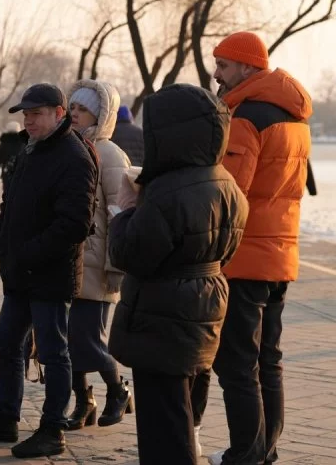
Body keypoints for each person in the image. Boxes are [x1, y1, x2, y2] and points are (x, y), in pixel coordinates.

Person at [107, 84, 249, 465]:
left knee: (164, 423)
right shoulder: (227, 183)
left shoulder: (168, 190)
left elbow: (130, 253)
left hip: (163, 310)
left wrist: (125, 212)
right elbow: (230, 249)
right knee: (181, 409)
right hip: (206, 300)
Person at [0, 83, 99, 459]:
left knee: (53, 353)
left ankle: (52, 429)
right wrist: (2, 244)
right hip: (20, 272)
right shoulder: (30, 148)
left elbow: (74, 224)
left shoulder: (74, 156)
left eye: (36, 114)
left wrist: (28, 254)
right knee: (6, 343)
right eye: (26, 114)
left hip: (50, 275)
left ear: (59, 113)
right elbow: (9, 202)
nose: (28, 121)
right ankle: (5, 417)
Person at [208, 32, 312, 465]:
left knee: (237, 363)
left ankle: (245, 454)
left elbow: (231, 193)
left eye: (223, 65)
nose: (217, 74)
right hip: (281, 255)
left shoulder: (247, 116)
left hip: (246, 257)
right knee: (269, 358)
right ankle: (265, 449)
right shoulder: (294, 116)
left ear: (248, 67)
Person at [64, 79, 133, 431]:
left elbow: (121, 214)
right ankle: (83, 402)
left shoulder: (110, 154)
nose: (75, 114)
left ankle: (118, 390)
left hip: (96, 267)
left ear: (101, 115)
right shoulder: (66, 147)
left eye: (83, 109)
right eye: (72, 107)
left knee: (89, 340)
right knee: (66, 342)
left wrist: (116, 266)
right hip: (66, 262)